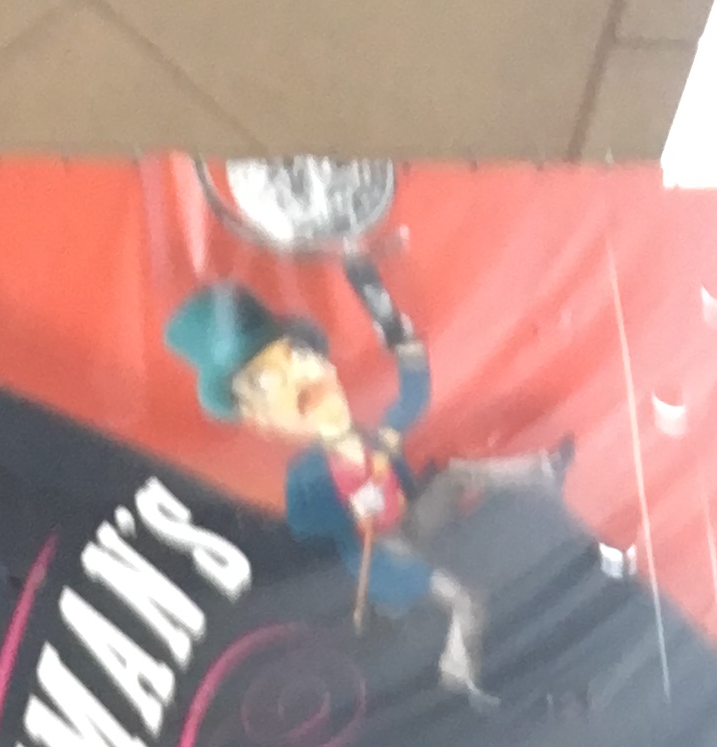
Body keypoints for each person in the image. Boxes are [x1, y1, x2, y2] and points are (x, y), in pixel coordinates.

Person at [165, 257, 571, 697]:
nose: (299, 381)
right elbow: (303, 532)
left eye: (298, 355)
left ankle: (542, 473)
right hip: (384, 556)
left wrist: (395, 330)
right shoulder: (306, 476)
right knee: (466, 599)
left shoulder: (377, 438)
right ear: (257, 421)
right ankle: (458, 675)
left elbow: (412, 395)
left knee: (455, 477)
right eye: (265, 383)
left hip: (412, 522)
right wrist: (352, 516)